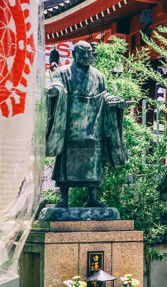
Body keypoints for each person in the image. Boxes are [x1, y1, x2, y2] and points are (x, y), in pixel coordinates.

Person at [45, 40, 127, 207]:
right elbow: (57, 87)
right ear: (74, 54)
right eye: (83, 53)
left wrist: (117, 101)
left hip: (93, 125)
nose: (86, 56)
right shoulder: (62, 72)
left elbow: (105, 96)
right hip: (70, 126)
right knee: (66, 163)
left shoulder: (99, 76)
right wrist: (55, 91)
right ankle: (64, 199)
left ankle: (93, 198)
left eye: (89, 53)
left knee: (93, 162)